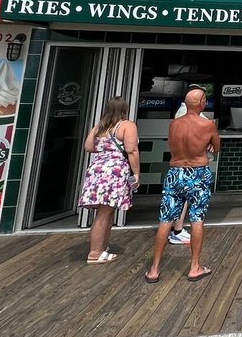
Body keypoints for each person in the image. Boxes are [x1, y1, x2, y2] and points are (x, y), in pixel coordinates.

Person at [145, 88, 220, 283]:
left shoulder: (174, 125)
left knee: (165, 220)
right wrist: (207, 144)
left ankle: (154, 269)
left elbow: (175, 145)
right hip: (198, 173)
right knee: (197, 219)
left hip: (175, 172)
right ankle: (195, 267)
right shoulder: (208, 125)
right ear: (202, 103)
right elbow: (216, 147)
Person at [78, 96, 139, 263]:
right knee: (104, 213)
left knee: (107, 211)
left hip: (97, 169)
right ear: (125, 109)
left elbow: (88, 146)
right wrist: (137, 174)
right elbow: (131, 150)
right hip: (115, 170)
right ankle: (95, 253)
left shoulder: (101, 126)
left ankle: (102, 248)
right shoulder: (127, 125)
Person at [168, 83, 207, 245]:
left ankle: (175, 229)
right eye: (203, 97)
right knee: (184, 199)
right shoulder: (186, 113)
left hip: (181, 163)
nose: (205, 101)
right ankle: (177, 230)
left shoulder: (182, 113)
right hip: (190, 165)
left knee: (178, 198)